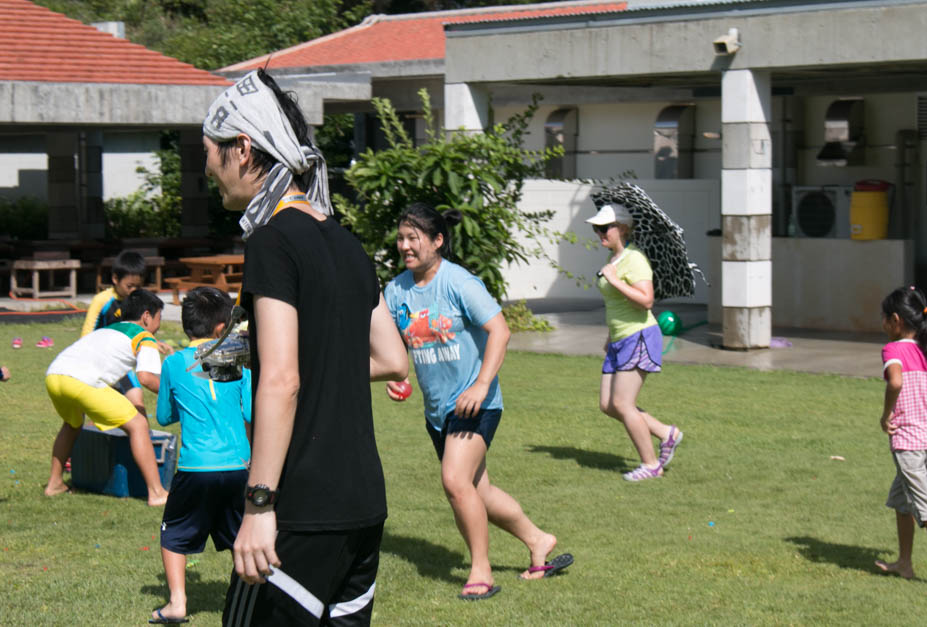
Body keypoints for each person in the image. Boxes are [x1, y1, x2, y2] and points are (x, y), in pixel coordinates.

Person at [202, 69, 408, 625]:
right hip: (363, 504)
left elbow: (283, 380)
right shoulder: (346, 242)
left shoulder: (271, 242)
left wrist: (258, 505)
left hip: (301, 508)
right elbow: (392, 358)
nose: (207, 170)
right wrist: (261, 354)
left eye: (210, 153)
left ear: (243, 150)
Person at [384, 202, 571, 602]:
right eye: (401, 238)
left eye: (413, 238)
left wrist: (482, 385)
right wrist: (398, 378)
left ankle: (480, 571)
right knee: (478, 491)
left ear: (437, 240)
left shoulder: (459, 282)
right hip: (438, 412)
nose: (405, 246)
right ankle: (539, 540)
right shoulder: (395, 290)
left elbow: (499, 332)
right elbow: (398, 348)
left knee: (454, 481)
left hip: (475, 403)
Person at [149, 287, 252, 625]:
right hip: (239, 465)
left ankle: (177, 603)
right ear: (222, 328)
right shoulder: (238, 357)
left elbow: (164, 417)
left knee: (174, 533)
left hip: (196, 467)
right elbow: (250, 409)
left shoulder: (174, 363)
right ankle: (250, 600)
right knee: (243, 536)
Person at [44, 288, 168, 506]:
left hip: (54, 375)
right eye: (159, 318)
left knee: (71, 425)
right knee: (138, 425)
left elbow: (125, 378)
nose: (159, 325)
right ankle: (157, 493)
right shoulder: (143, 337)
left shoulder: (108, 330)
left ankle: (54, 483)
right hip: (80, 382)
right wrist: (175, 393)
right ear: (147, 316)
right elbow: (147, 378)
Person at [587, 202, 683, 482]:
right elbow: (619, 307)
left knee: (624, 404)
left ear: (623, 228)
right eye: (597, 228)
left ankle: (651, 464)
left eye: (605, 228)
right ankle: (667, 433)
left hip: (638, 337)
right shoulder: (615, 260)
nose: (600, 233)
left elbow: (646, 300)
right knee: (608, 405)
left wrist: (615, 280)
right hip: (619, 339)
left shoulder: (635, 260)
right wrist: (610, 336)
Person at [874, 286, 927, 580]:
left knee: (926, 509)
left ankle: (905, 562)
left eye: (884, 318)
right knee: (902, 500)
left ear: (896, 319)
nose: (883, 324)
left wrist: (886, 414)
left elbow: (896, 382)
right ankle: (904, 563)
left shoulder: (894, 349)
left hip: (909, 443)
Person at [82, 249, 149, 415]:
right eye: (129, 286)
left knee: (137, 403)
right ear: (115, 279)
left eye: (138, 287)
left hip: (121, 365)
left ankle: (141, 438)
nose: (133, 290)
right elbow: (86, 335)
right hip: (98, 365)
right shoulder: (102, 301)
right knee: (102, 412)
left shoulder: (136, 302)